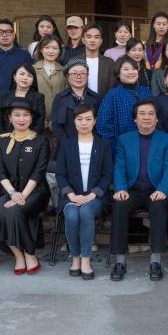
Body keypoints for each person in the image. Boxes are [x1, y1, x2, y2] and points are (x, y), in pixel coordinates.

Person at [110, 99, 168, 282]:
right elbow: (119, 167)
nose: (146, 117)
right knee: (119, 205)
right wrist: (120, 188)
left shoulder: (167, 140)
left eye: (151, 114)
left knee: (159, 206)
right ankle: (119, 262)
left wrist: (163, 189)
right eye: (142, 114)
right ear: (135, 119)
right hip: (131, 189)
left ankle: (155, 262)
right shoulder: (124, 140)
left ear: (157, 119)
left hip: (155, 190)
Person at [0, 99, 51, 275]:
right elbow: (0, 171)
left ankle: (29, 253)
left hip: (36, 192)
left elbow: (39, 172)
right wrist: (13, 193)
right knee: (0, 210)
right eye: (17, 115)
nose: (21, 119)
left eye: (26, 115)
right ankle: (19, 255)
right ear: (9, 118)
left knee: (15, 210)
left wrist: (22, 196)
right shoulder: (2, 141)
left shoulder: (40, 141)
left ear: (31, 118)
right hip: (9, 190)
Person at [56, 105, 113, 279]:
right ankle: (75, 258)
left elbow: (107, 174)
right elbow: (60, 174)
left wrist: (93, 194)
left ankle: (86, 259)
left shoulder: (103, 145)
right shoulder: (66, 144)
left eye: (88, 119)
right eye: (79, 119)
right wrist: (71, 195)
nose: (84, 123)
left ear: (95, 121)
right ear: (74, 122)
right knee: (72, 214)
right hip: (71, 195)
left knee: (86, 211)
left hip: (95, 197)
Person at [96, 57, 153, 143]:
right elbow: (103, 124)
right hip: (122, 145)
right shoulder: (113, 95)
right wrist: (115, 145)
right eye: (126, 69)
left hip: (148, 142)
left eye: (134, 69)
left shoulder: (146, 92)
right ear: (118, 74)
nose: (131, 72)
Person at [0, 18, 33, 104]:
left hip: (18, 103)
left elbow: (29, 80)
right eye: (0, 32)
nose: (4, 35)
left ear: (14, 35)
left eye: (8, 32)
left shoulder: (24, 55)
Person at [50, 60, 101, 142]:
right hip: (66, 144)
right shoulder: (59, 98)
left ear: (87, 76)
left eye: (82, 73)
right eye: (74, 73)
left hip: (91, 143)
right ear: (67, 76)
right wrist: (66, 144)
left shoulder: (96, 98)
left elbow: (100, 124)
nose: (78, 76)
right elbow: (56, 125)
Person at [0, 64, 46, 136]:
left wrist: (30, 138)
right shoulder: (4, 95)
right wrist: (4, 137)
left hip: (30, 138)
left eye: (29, 76)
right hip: (6, 137)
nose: (25, 78)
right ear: (14, 76)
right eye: (22, 74)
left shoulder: (38, 97)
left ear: (33, 80)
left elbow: (40, 122)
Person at [32, 34, 67, 112]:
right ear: (41, 49)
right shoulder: (32, 70)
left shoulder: (64, 71)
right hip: (37, 114)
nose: (51, 51)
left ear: (59, 51)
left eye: (55, 48)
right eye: (47, 47)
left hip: (58, 114)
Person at [80, 23, 117, 95]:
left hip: (104, 101)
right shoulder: (75, 61)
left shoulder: (109, 63)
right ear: (83, 40)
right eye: (89, 37)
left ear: (101, 41)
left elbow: (113, 87)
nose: (92, 40)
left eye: (96, 37)